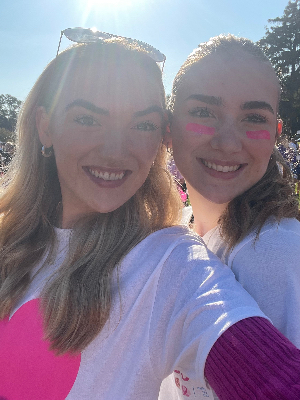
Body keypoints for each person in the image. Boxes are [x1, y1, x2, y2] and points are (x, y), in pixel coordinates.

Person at [1, 30, 300, 400]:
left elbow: (272, 379)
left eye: (141, 124)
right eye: (88, 118)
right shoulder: (189, 226)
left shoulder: (176, 262)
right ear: (45, 125)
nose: (115, 150)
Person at [161, 34, 300, 399]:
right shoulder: (178, 230)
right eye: (204, 112)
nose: (227, 142)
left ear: (274, 135)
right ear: (168, 126)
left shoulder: (271, 250)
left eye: (253, 117)